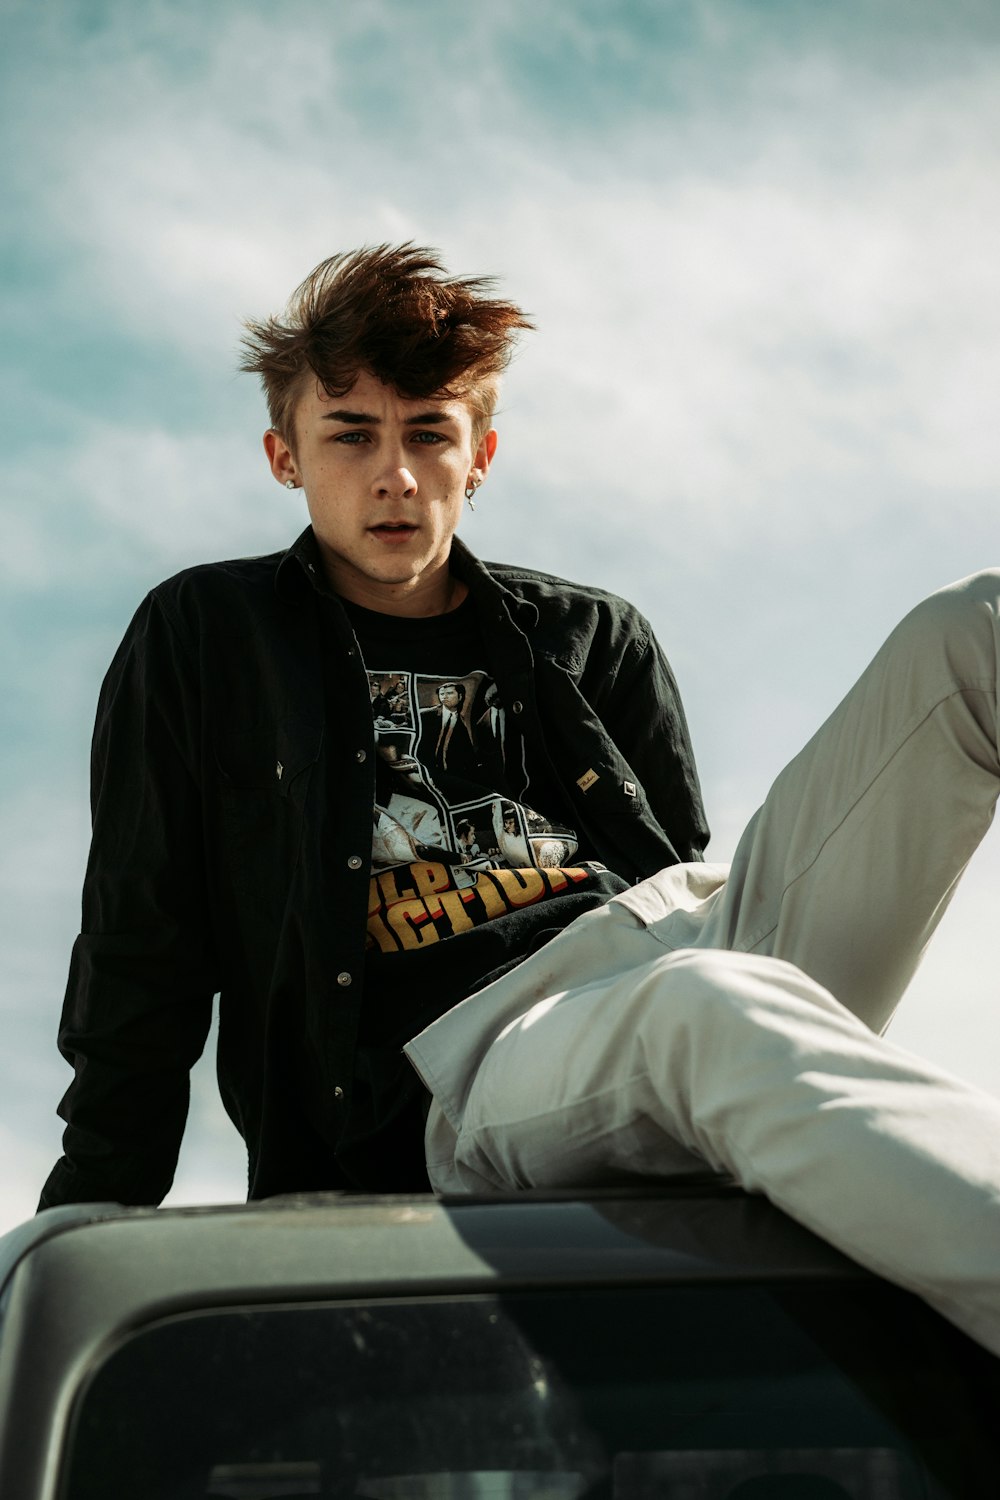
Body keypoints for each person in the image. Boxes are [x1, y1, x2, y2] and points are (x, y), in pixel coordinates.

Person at [38, 244, 1000, 1360]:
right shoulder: (208, 639)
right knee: (700, 1012)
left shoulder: (593, 638)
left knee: (969, 633)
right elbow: (143, 942)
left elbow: (670, 862)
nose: (393, 475)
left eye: (427, 435)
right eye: (351, 434)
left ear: (479, 455)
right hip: (482, 1068)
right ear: (283, 457)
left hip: (678, 956)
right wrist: (82, 1231)